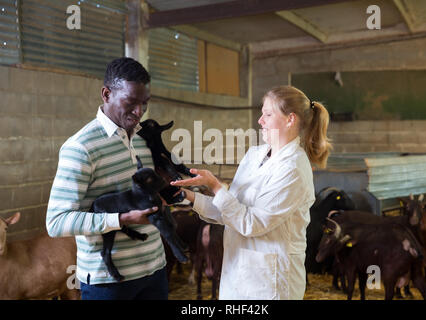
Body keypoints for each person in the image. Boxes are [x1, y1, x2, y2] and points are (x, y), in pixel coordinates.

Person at [171, 85, 332, 300]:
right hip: (237, 274)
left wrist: (216, 186)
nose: (260, 120)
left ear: (290, 119)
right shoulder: (254, 155)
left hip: (270, 283)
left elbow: (251, 223)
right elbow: (231, 212)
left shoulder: (293, 169)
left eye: (267, 114)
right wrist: (188, 196)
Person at [46, 57, 168, 300]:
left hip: (155, 269)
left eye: (144, 103)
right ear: (106, 94)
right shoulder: (81, 148)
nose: (138, 112)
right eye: (131, 102)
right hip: (109, 282)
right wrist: (121, 219)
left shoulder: (144, 139)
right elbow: (56, 222)